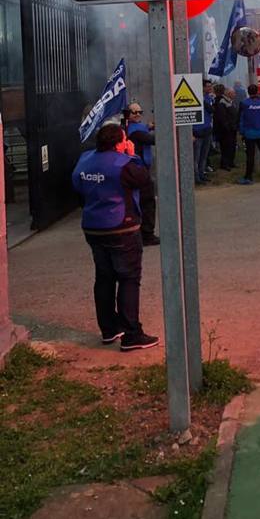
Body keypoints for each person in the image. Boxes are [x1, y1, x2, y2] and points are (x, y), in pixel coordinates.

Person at [72, 123, 159, 351]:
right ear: (119, 143)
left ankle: (109, 329)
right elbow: (144, 180)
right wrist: (132, 155)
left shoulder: (85, 160)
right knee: (129, 278)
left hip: (93, 228)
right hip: (122, 228)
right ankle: (132, 335)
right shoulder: (124, 164)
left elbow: (77, 186)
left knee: (104, 278)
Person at [124, 103, 159, 246]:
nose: (138, 114)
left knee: (138, 202)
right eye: (134, 112)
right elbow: (152, 139)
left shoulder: (128, 128)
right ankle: (147, 235)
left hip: (134, 170)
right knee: (147, 202)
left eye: (140, 112)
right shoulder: (136, 132)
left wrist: (149, 127)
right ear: (127, 114)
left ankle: (140, 233)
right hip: (140, 171)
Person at [237, 84, 260, 184]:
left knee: (250, 155)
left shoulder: (244, 103)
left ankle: (248, 177)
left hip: (249, 133)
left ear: (248, 92)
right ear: (257, 91)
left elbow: (241, 118)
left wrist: (241, 131)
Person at [193, 79, 215, 185]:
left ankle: (202, 174)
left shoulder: (209, 98)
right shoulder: (195, 98)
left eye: (210, 86)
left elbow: (212, 110)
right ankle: (196, 176)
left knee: (204, 155)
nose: (210, 88)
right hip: (197, 131)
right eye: (207, 86)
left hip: (207, 130)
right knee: (196, 156)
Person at [213, 85, 238, 171]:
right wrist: (227, 127)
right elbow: (222, 117)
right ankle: (224, 164)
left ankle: (231, 162)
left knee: (232, 146)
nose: (235, 94)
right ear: (228, 94)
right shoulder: (222, 102)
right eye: (233, 93)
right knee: (226, 147)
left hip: (233, 128)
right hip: (226, 130)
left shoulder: (230, 101)